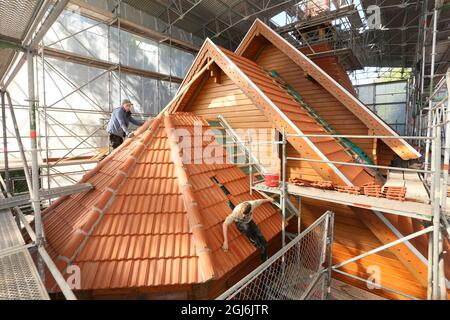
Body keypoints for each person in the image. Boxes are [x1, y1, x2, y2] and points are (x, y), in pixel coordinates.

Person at [222, 197, 276, 262]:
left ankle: (264, 258)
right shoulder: (235, 213)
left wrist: (269, 199)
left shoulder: (252, 204)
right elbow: (225, 224)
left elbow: (261, 201)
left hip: (249, 222)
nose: (244, 216)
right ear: (241, 210)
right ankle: (255, 242)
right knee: (247, 228)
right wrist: (225, 241)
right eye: (243, 214)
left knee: (263, 240)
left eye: (246, 214)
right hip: (240, 224)